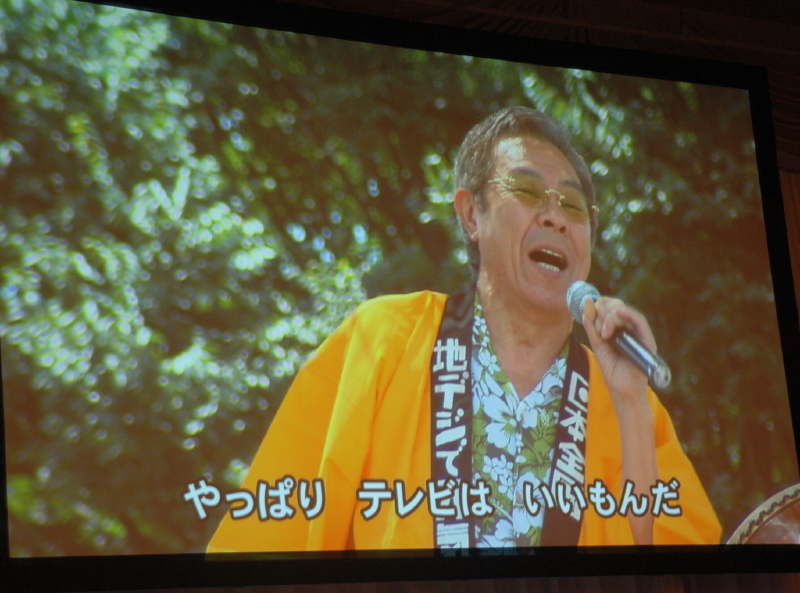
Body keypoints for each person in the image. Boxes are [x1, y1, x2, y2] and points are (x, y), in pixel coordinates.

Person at [207, 107, 721, 552]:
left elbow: (678, 573)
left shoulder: (627, 401)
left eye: (572, 205)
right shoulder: (383, 340)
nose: (556, 218)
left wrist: (631, 405)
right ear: (471, 214)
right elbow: (266, 540)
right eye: (528, 190)